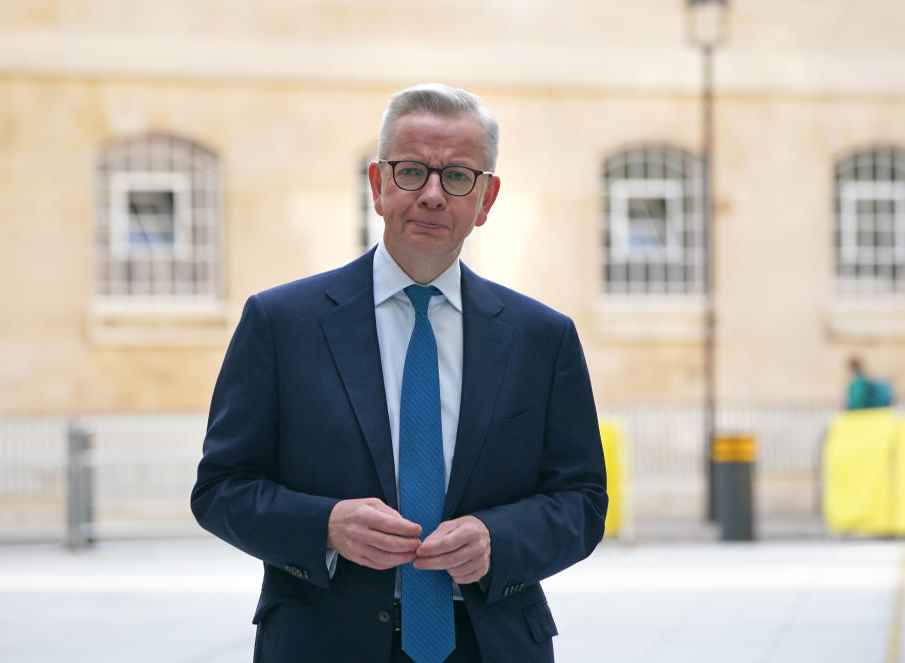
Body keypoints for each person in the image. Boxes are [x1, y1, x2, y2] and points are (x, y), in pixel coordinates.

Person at [191, 83, 608, 663]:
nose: (433, 195)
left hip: (491, 644)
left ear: (486, 200)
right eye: (411, 171)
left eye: (458, 176)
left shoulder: (542, 337)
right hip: (322, 643)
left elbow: (582, 501)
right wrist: (327, 526)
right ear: (377, 185)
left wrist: (498, 539)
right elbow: (220, 488)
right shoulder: (281, 323)